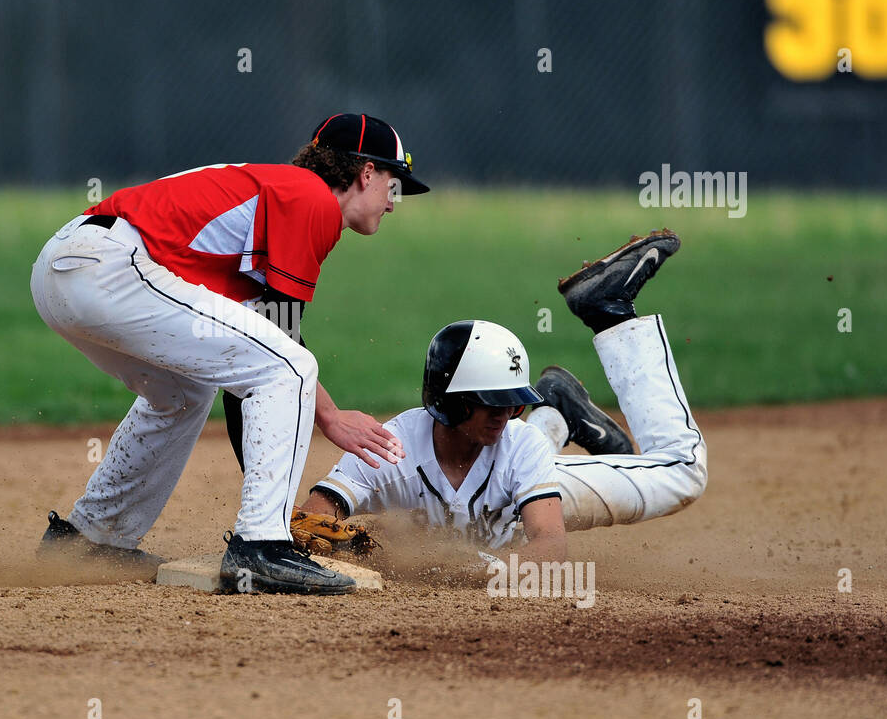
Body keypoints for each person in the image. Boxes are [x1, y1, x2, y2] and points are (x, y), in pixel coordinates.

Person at [31, 113, 430, 594]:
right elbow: (282, 354)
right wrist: (328, 419)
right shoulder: (310, 200)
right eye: (393, 183)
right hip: (111, 267)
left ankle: (91, 539)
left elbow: (253, 364)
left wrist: (289, 476)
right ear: (366, 173)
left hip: (67, 269)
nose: (393, 202)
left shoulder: (279, 193)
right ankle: (262, 546)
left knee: (183, 391)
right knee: (290, 368)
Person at [299, 230, 706, 549]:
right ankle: (557, 414)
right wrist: (345, 545)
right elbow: (311, 519)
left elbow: (550, 547)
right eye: (493, 402)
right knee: (512, 467)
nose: (505, 414)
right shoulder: (390, 451)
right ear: (451, 402)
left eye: (514, 404)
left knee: (684, 473)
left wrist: (477, 573)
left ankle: (610, 310)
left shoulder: (519, 445)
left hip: (536, 481)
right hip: (512, 492)